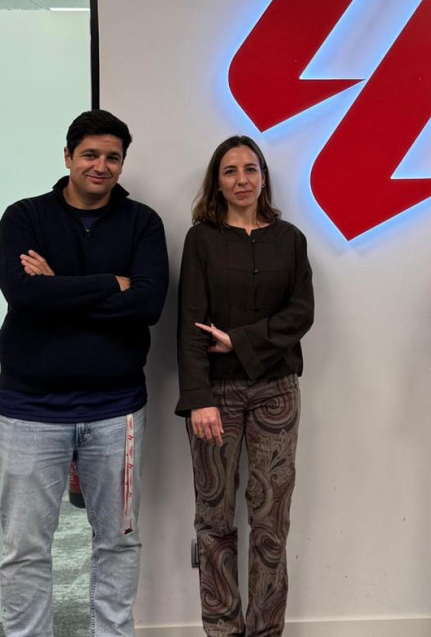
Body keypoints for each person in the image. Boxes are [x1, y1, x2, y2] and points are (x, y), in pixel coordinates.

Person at [0, 109, 169, 636]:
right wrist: (111, 283)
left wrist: (58, 286)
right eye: (90, 154)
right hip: (30, 409)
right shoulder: (24, 217)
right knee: (25, 548)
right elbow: (23, 295)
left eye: (113, 157)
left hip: (116, 409)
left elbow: (148, 305)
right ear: (68, 156)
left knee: (118, 541)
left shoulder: (143, 223)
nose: (101, 165)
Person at [176, 135, 314, 637]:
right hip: (216, 397)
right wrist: (198, 399)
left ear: (263, 177)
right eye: (230, 171)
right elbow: (189, 324)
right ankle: (222, 630)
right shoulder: (201, 240)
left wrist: (238, 340)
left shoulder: (290, 239)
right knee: (214, 520)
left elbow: (301, 314)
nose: (241, 180)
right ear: (217, 182)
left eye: (250, 169)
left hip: (277, 392)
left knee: (271, 522)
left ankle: (265, 631)